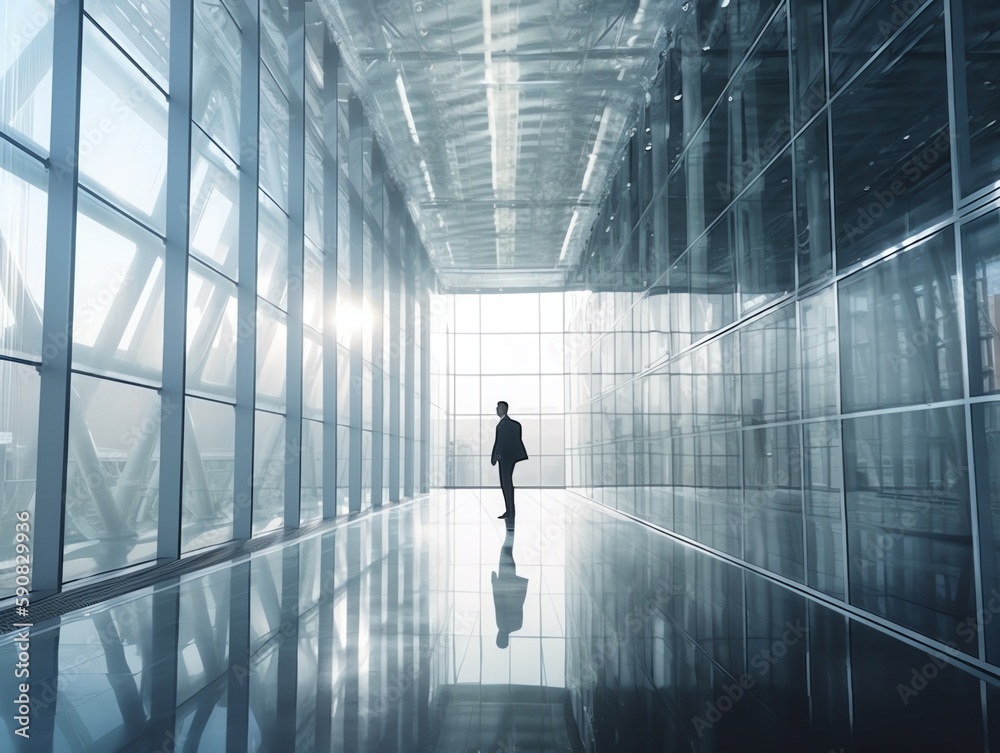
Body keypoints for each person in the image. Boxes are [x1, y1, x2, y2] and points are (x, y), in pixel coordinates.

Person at [491, 521, 528, 649]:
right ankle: (510, 520)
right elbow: (499, 602)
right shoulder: (501, 624)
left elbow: (519, 603)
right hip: (505, 579)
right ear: (500, 638)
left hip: (512, 580)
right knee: (506, 547)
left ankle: (510, 521)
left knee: (508, 547)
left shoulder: (517, 626)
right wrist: (494, 582)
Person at [491, 401, 528, 519]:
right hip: (511, 458)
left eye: (498, 407)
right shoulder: (515, 425)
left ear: (502, 409)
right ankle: (510, 511)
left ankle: (510, 511)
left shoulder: (502, 425)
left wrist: (495, 456)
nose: (496, 409)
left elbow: (499, 442)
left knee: (506, 484)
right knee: (507, 484)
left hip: (504, 458)